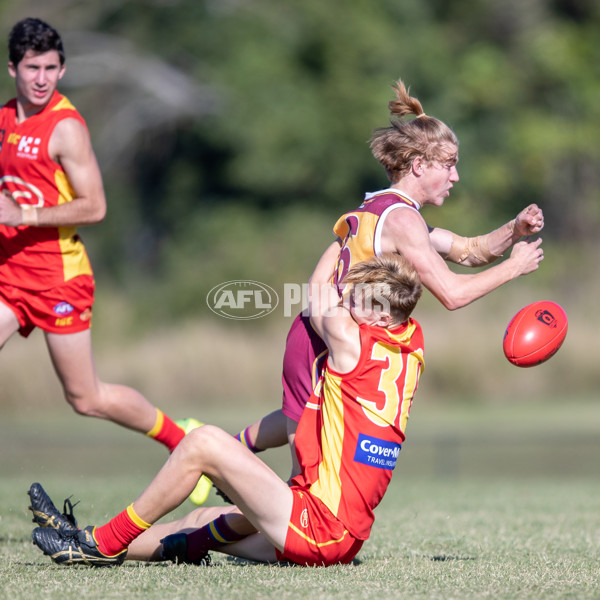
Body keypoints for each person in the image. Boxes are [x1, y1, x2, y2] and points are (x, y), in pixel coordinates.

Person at [228, 78, 545, 481]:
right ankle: (219, 476)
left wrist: (514, 230)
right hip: (325, 341)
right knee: (307, 478)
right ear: (419, 165)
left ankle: (229, 450)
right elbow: (451, 294)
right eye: (449, 165)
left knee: (302, 418)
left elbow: (470, 250)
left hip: (316, 333)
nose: (456, 177)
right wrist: (513, 268)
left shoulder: (385, 208)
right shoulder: (403, 221)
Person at [29, 252, 425, 567]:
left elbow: (317, 291)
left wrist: (345, 231)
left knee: (202, 442)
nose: (347, 302)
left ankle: (101, 544)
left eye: (357, 300)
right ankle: (79, 538)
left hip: (317, 527)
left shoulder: (349, 340)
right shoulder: (413, 343)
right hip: (340, 534)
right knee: (200, 523)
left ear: (382, 317)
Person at [0, 18, 211, 501]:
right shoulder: (5, 120)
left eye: (51, 68)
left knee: (85, 398)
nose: (41, 78)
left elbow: (95, 207)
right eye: (32, 67)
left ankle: (183, 440)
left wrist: (24, 213)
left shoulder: (65, 128)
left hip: (58, 279)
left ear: (62, 68)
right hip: (8, 275)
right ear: (13, 68)